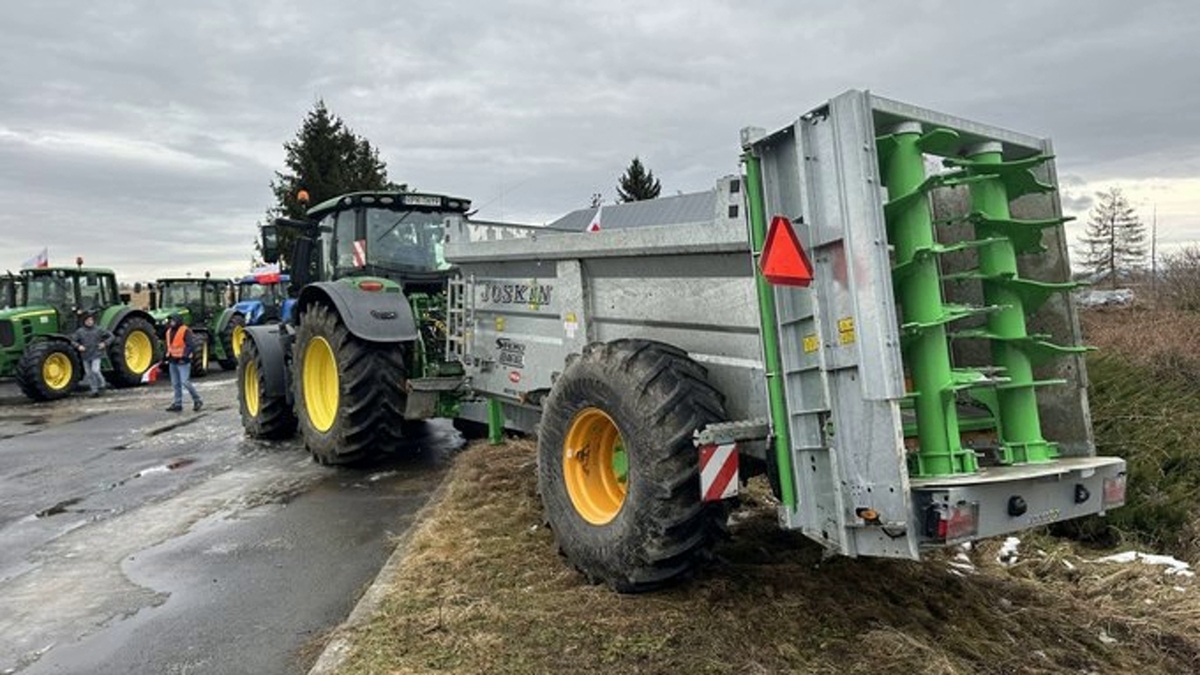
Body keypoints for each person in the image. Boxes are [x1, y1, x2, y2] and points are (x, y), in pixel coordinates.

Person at [163, 313, 203, 412]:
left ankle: (197, 400)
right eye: (170, 321)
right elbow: (169, 346)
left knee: (185, 382)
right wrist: (165, 357)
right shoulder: (168, 332)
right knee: (175, 383)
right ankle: (178, 403)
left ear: (177, 320)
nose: (171, 322)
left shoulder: (185, 330)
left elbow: (190, 345)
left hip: (183, 361)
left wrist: (184, 356)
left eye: (172, 320)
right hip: (173, 360)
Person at [70, 312, 113, 397]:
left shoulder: (98, 329)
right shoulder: (80, 331)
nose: (90, 322)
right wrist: (79, 346)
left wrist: (104, 343)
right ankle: (94, 391)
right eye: (88, 320)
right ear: (84, 322)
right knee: (89, 374)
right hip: (85, 355)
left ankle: (102, 384)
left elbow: (111, 336)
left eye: (91, 320)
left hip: (97, 354)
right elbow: (72, 341)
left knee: (95, 370)